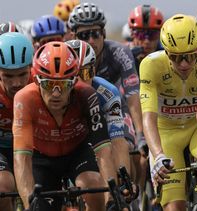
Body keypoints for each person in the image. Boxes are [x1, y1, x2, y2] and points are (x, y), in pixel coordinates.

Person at [12, 41, 120, 210]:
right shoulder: (24, 99)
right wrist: (29, 203)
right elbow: (22, 159)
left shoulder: (87, 95)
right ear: (36, 80)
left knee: (93, 186)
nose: (56, 93)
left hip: (77, 153)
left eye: (63, 85)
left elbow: (103, 151)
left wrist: (112, 198)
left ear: (74, 81)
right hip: (42, 159)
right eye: (48, 84)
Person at [140, 14, 197, 211]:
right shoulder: (151, 65)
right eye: (176, 57)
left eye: (190, 55)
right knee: (174, 207)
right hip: (167, 132)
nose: (184, 64)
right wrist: (158, 154)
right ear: (165, 52)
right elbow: (148, 117)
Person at [65, 39, 131, 179]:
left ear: (94, 71)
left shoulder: (108, 93)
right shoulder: (53, 94)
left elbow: (118, 141)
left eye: (85, 73)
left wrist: (125, 180)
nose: (79, 81)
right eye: (71, 75)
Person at [0, 32, 34, 211]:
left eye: (22, 74)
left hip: (33, 146)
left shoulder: (41, 81)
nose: (16, 83)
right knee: (3, 188)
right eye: (8, 76)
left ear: (31, 67)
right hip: (2, 150)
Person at [127, 4, 164, 72]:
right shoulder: (123, 56)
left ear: (159, 35)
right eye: (141, 34)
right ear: (132, 34)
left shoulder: (167, 57)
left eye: (152, 34)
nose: (146, 41)